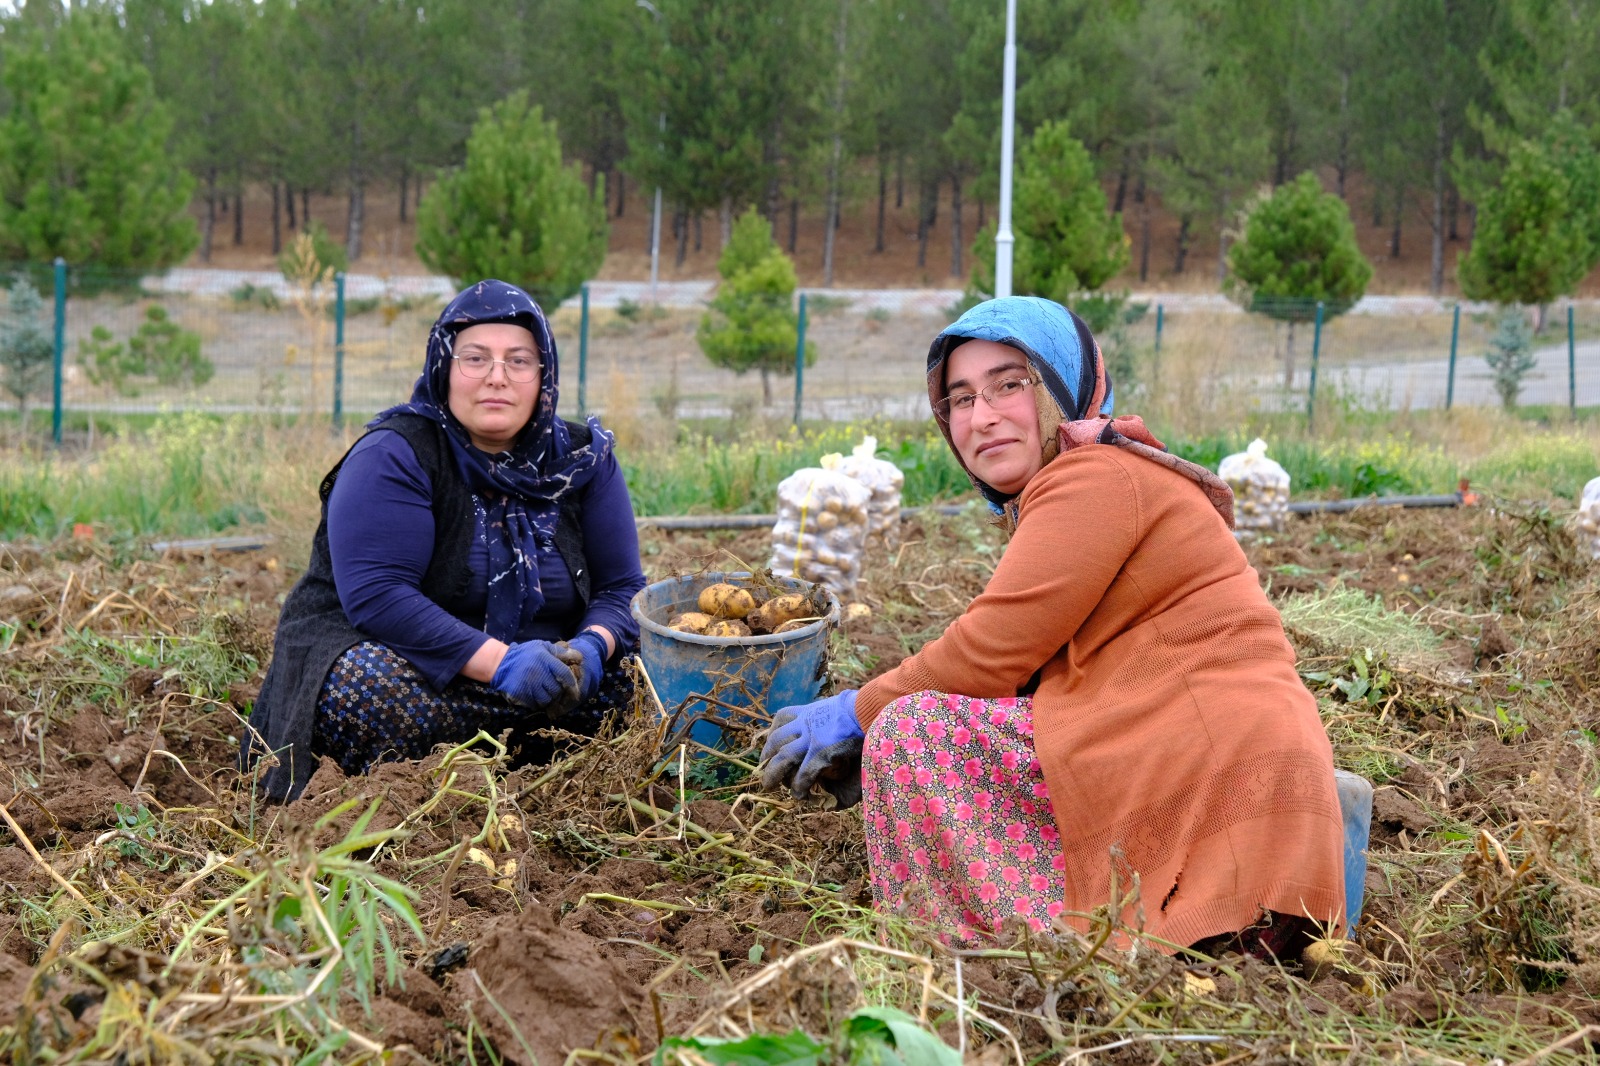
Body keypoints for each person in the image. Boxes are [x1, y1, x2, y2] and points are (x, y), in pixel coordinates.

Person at [761, 296, 1347, 956]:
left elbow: (990, 652)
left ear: (1065, 387)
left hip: (1210, 756)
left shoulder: (1097, 476)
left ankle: (1018, 952)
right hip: (1178, 742)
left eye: (1010, 384)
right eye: (960, 399)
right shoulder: (1092, 478)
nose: (982, 416)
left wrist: (858, 711)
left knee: (914, 732)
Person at [243, 280, 646, 802]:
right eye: (475, 358)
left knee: (655, 679)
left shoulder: (582, 460)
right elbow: (378, 596)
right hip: (419, 671)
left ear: (544, 373)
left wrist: (591, 648)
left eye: (519, 361)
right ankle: (452, 774)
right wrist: (501, 664)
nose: (497, 377)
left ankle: (535, 757)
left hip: (552, 677)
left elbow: (622, 587)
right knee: (372, 693)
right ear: (444, 368)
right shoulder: (395, 454)